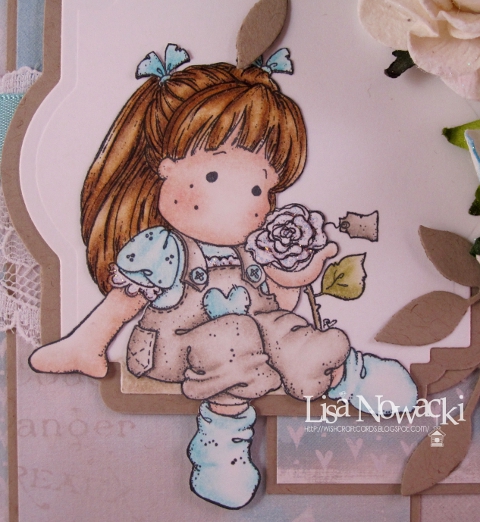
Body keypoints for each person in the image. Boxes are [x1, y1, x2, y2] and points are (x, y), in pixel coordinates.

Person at [29, 45, 417, 509]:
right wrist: (84, 346)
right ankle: (220, 442)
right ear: (167, 167)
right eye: (215, 176)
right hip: (174, 347)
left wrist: (299, 277)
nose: (245, 200)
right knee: (233, 334)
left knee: (274, 327)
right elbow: (123, 303)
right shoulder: (162, 249)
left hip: (246, 344)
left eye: (258, 187)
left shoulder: (248, 249)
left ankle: (342, 371)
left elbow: (275, 310)